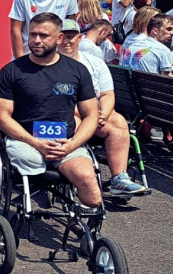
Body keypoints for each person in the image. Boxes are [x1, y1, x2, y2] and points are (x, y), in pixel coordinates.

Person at [0, 12, 102, 209]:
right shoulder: (11, 71)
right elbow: (1, 117)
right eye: (32, 34)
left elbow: (91, 115)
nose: (36, 40)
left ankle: (79, 223)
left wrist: (71, 145)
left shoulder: (77, 70)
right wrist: (36, 143)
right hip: (25, 141)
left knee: (91, 190)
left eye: (43, 36)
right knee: (33, 164)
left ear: (59, 38)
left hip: (65, 142)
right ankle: (38, 195)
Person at [58, 20, 147, 195]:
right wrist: (88, 115)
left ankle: (119, 178)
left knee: (118, 122)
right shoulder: (51, 63)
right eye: (62, 37)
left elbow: (107, 94)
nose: (67, 41)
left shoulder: (95, 63)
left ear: (80, 38)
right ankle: (80, 177)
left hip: (94, 111)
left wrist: (103, 114)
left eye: (71, 37)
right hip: (68, 113)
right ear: (56, 39)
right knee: (72, 124)